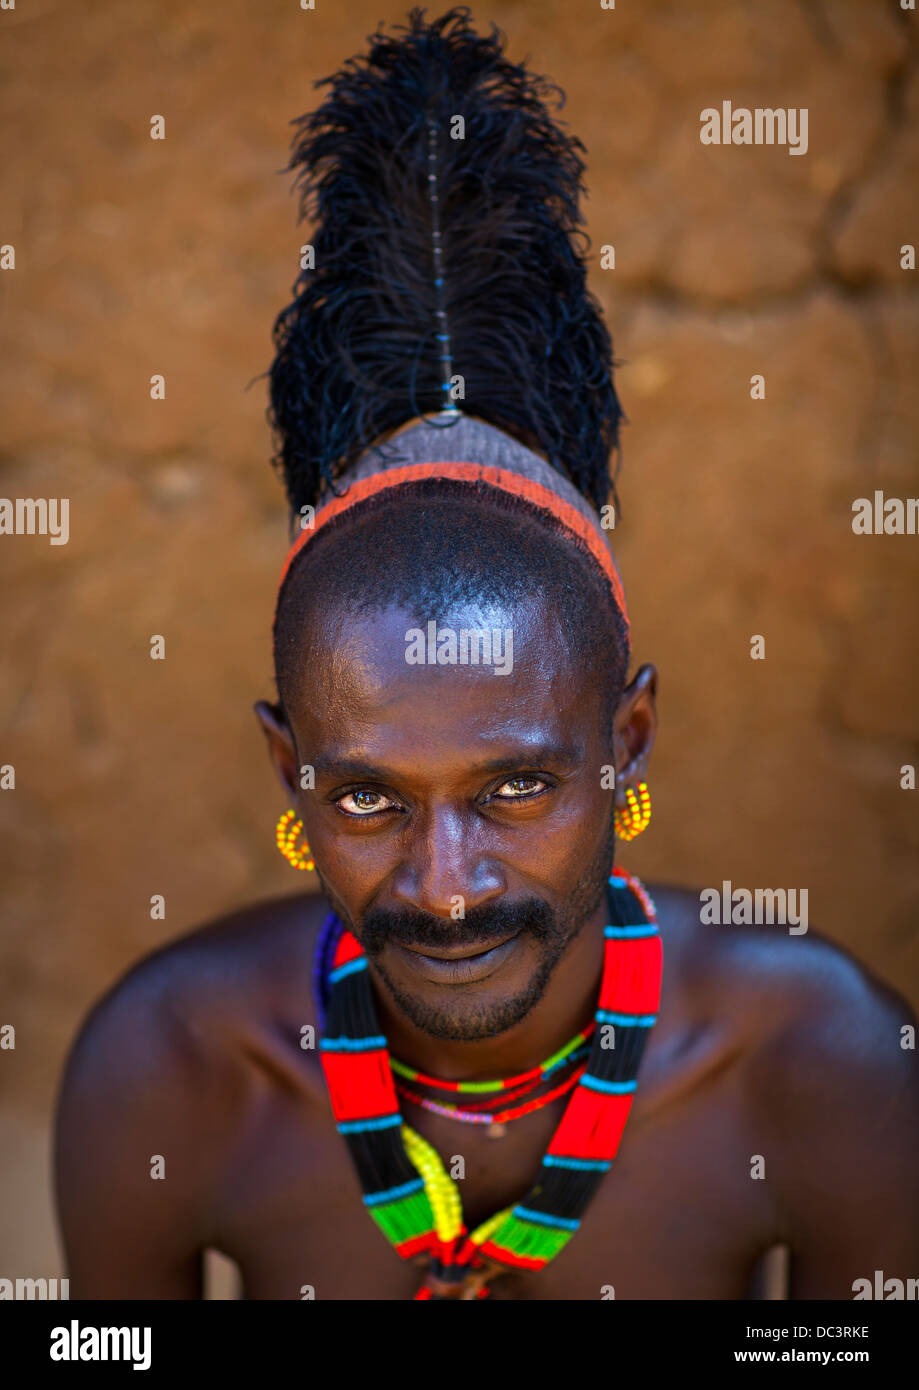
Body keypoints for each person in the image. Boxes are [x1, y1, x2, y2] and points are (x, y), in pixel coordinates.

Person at [54, 7, 918, 1300]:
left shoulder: (823, 1065)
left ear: (627, 742)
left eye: (515, 785)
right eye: (368, 796)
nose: (447, 885)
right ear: (286, 766)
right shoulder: (168, 1071)